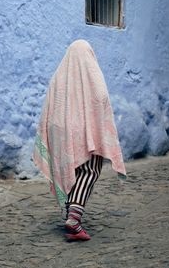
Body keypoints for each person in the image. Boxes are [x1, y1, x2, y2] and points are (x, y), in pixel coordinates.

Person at [33, 39, 126, 241]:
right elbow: (101, 98)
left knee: (69, 169)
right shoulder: (92, 75)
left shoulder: (59, 76)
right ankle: (74, 219)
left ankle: (70, 214)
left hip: (58, 130)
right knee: (90, 169)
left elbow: (49, 106)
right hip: (83, 130)